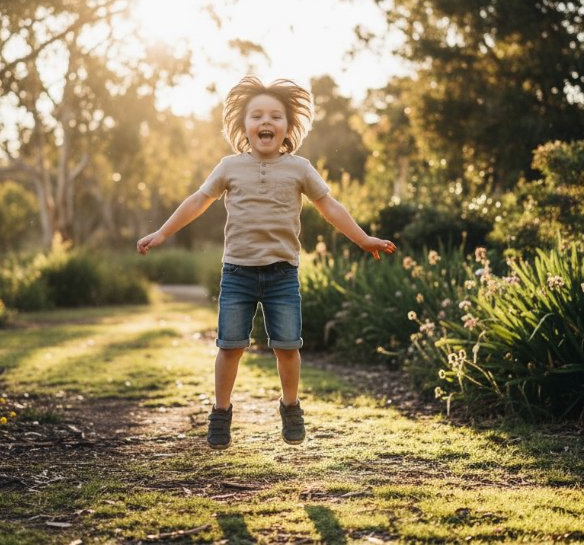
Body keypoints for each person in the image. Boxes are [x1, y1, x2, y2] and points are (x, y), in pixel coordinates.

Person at [136, 76, 396, 449]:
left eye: (275, 116)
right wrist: (162, 233)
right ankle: (221, 411)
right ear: (243, 126)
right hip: (237, 273)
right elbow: (198, 200)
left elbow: (329, 206)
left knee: (288, 346)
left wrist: (362, 238)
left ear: (289, 127)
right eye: (256, 115)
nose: (266, 122)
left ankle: (290, 406)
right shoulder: (228, 167)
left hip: (282, 274)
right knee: (230, 346)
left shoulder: (300, 169)